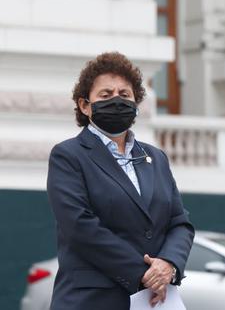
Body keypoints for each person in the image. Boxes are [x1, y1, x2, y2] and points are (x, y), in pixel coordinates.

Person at [47, 52, 195, 309]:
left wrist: (168, 265)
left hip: (154, 300)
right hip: (92, 300)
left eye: (125, 95)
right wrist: (144, 273)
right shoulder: (68, 156)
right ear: (84, 105)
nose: (116, 100)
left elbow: (179, 223)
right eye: (105, 95)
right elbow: (80, 227)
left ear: (136, 103)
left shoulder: (156, 157)